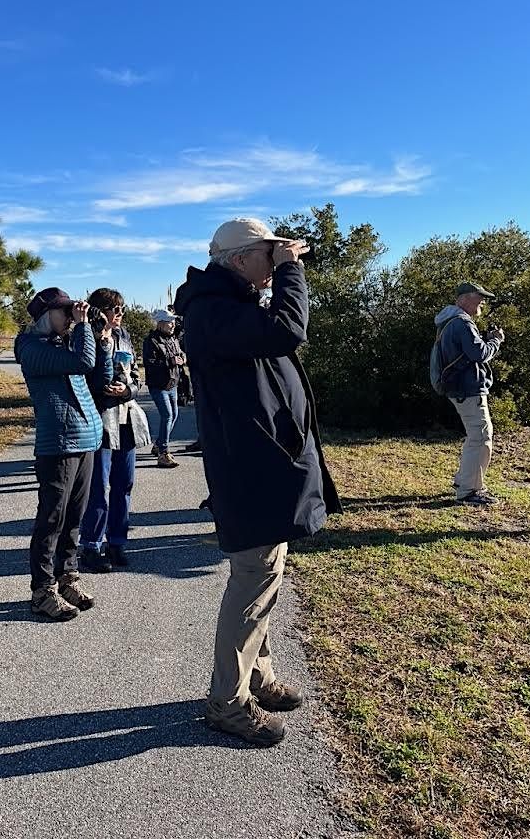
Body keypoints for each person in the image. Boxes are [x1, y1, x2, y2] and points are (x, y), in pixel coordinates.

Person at [173, 218, 342, 747]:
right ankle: (228, 702)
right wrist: (292, 271)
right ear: (239, 258)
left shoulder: (230, 303)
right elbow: (290, 329)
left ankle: (257, 675)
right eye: (269, 254)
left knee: (266, 577)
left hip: (266, 463)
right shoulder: (212, 311)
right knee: (253, 581)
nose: (277, 261)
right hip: (251, 468)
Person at [15, 287, 113, 620]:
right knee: (52, 520)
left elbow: (100, 376)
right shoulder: (31, 349)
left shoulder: (64, 345)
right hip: (58, 443)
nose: (72, 319)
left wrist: (104, 340)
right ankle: (42, 591)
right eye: (66, 313)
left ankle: (67, 577)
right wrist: (84, 329)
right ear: (46, 315)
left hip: (85, 439)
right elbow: (83, 362)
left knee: (75, 517)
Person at [79, 288, 150, 572]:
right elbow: (85, 378)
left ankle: (117, 542)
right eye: (115, 310)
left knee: (124, 484)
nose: (120, 315)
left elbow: (136, 377)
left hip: (126, 418)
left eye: (122, 310)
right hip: (99, 419)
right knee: (98, 487)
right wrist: (102, 346)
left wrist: (129, 389)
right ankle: (91, 546)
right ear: (100, 312)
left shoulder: (125, 336)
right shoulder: (85, 338)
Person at [434, 282, 505, 505]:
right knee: (481, 437)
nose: (483, 301)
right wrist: (496, 340)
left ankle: (464, 481)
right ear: (464, 299)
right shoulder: (462, 323)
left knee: (475, 436)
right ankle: (469, 491)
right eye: (479, 296)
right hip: (468, 389)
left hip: (460, 388)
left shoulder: (449, 322)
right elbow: (479, 353)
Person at [143, 309, 185, 468]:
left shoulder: (173, 338)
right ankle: (163, 452)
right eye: (169, 321)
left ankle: (159, 444)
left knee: (174, 415)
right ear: (160, 323)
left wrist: (182, 356)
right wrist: (171, 361)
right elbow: (150, 363)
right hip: (158, 385)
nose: (173, 324)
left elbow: (179, 353)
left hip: (172, 383)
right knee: (167, 415)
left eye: (173, 321)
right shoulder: (151, 341)